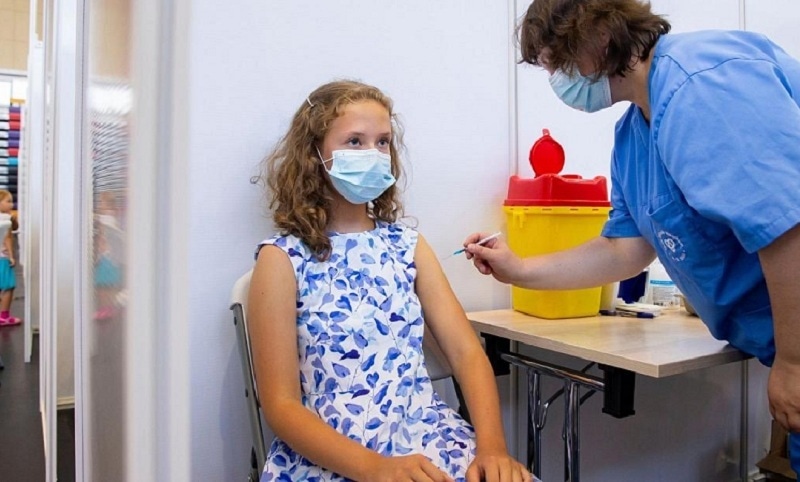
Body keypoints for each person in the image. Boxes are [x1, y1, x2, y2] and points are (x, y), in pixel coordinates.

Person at [464, 0, 800, 475]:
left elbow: (787, 224)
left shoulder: (701, 84)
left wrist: (795, 362)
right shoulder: (633, 135)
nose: (558, 81)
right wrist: (518, 268)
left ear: (597, 36)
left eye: (555, 64)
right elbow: (625, 250)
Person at [248, 80, 533, 482]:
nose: (373, 154)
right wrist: (374, 469)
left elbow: (467, 355)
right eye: (354, 141)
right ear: (313, 155)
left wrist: (493, 449)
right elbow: (280, 405)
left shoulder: (408, 246)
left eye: (383, 142)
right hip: (331, 451)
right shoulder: (282, 260)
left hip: (426, 432)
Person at [0, 190, 20, 326]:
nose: (11, 204)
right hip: (2, 258)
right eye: (8, 201)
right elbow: (8, 238)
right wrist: (12, 257)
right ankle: (4, 316)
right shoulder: (5, 219)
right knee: (8, 287)